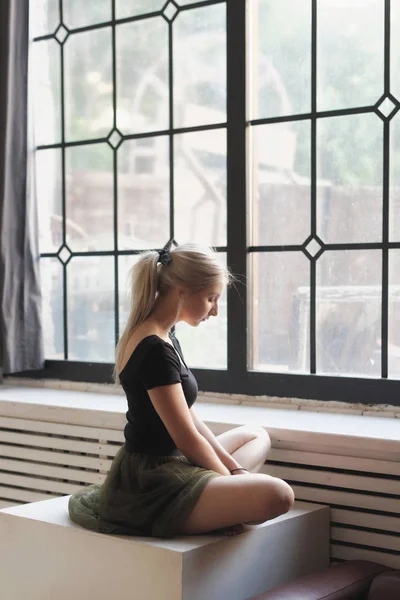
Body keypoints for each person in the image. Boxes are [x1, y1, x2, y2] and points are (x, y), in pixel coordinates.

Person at [68, 241, 294, 538]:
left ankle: (220, 499)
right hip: (152, 479)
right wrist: (229, 480)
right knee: (279, 495)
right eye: (212, 298)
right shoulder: (153, 349)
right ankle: (216, 504)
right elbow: (186, 438)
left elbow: (190, 419)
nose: (215, 311)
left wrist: (235, 472)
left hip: (176, 462)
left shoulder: (165, 336)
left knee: (256, 435)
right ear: (182, 290)